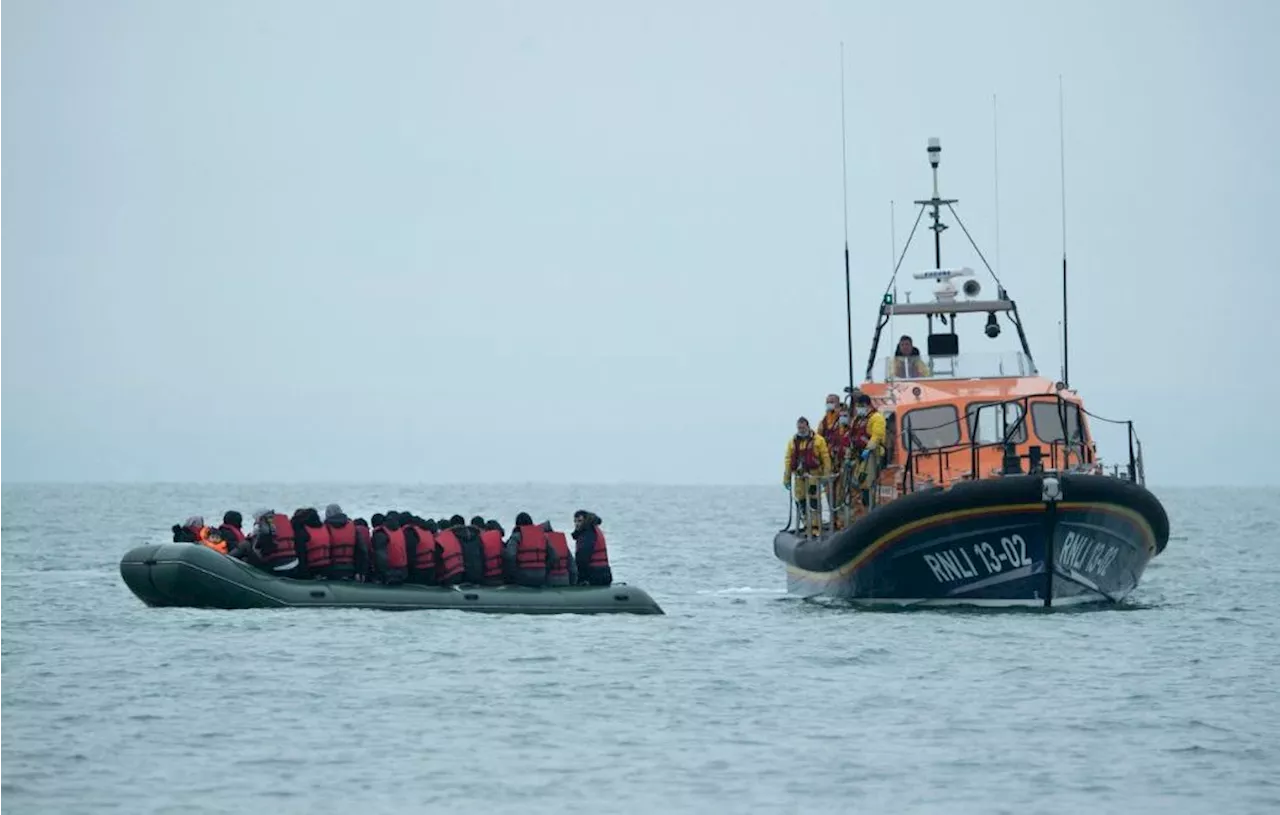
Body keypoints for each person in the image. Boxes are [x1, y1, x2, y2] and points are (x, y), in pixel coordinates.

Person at [783, 416, 832, 534]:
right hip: (799, 476)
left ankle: (815, 526)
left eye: (803, 427)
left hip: (813, 475)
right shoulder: (792, 442)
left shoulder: (818, 440)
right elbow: (788, 460)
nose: (801, 430)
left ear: (808, 426)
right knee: (801, 500)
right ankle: (806, 524)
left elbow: (825, 458)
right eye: (799, 427)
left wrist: (826, 475)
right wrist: (787, 477)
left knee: (814, 499)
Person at [850, 393, 888, 515]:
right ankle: (863, 511)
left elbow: (876, 436)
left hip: (872, 455)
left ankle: (870, 510)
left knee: (867, 483)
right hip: (859, 455)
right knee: (858, 483)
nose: (858, 408)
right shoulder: (859, 419)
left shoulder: (877, 417)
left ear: (867, 405)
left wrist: (868, 449)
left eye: (860, 405)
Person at [249, 509, 302, 576]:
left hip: (277, 565)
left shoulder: (263, 525)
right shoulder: (285, 521)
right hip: (294, 562)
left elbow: (257, 548)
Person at [509, 515, 556, 588]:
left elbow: (510, 556)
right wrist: (545, 569)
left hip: (523, 578)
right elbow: (554, 557)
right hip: (541, 577)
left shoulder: (517, 536)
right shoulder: (543, 536)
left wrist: (514, 573)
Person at [571, 510, 611, 586]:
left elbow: (582, 558)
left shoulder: (588, 534)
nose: (576, 524)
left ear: (585, 521)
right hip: (603, 573)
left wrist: (580, 578)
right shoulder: (592, 531)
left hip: (595, 574)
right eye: (575, 521)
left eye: (579, 521)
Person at [369, 512, 407, 585]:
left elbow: (381, 557)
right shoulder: (400, 530)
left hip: (389, 574)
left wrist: (383, 575)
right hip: (403, 572)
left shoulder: (380, 533)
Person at [323, 503, 358, 581]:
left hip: (332, 567)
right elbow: (361, 550)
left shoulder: (325, 528)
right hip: (351, 567)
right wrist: (360, 570)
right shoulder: (353, 526)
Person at [434, 520, 466, 586]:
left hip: (448, 575)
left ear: (439, 528)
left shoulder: (438, 538)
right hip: (460, 571)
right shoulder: (454, 536)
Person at [300, 507, 331, 579]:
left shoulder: (304, 531)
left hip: (312, 568)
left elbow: (302, 552)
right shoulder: (325, 528)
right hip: (327, 566)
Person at [544, 523, 577, 587]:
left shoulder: (543, 543)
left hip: (549, 581)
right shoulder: (563, 545)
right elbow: (573, 569)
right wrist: (573, 583)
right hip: (565, 580)